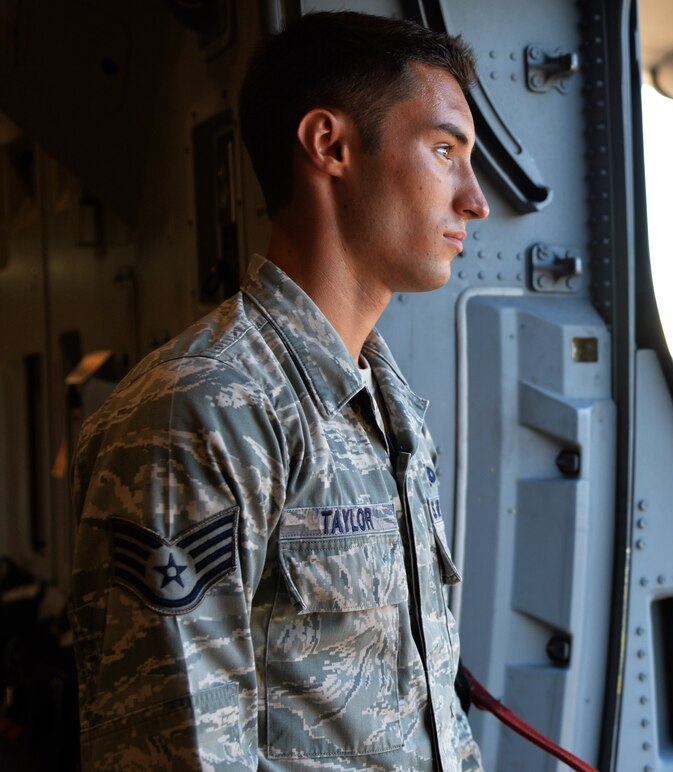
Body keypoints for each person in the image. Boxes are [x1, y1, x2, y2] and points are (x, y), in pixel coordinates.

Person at [69, 11, 489, 769]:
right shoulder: (199, 411)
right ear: (330, 145)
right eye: (443, 151)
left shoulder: (385, 404)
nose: (475, 200)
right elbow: (182, 754)